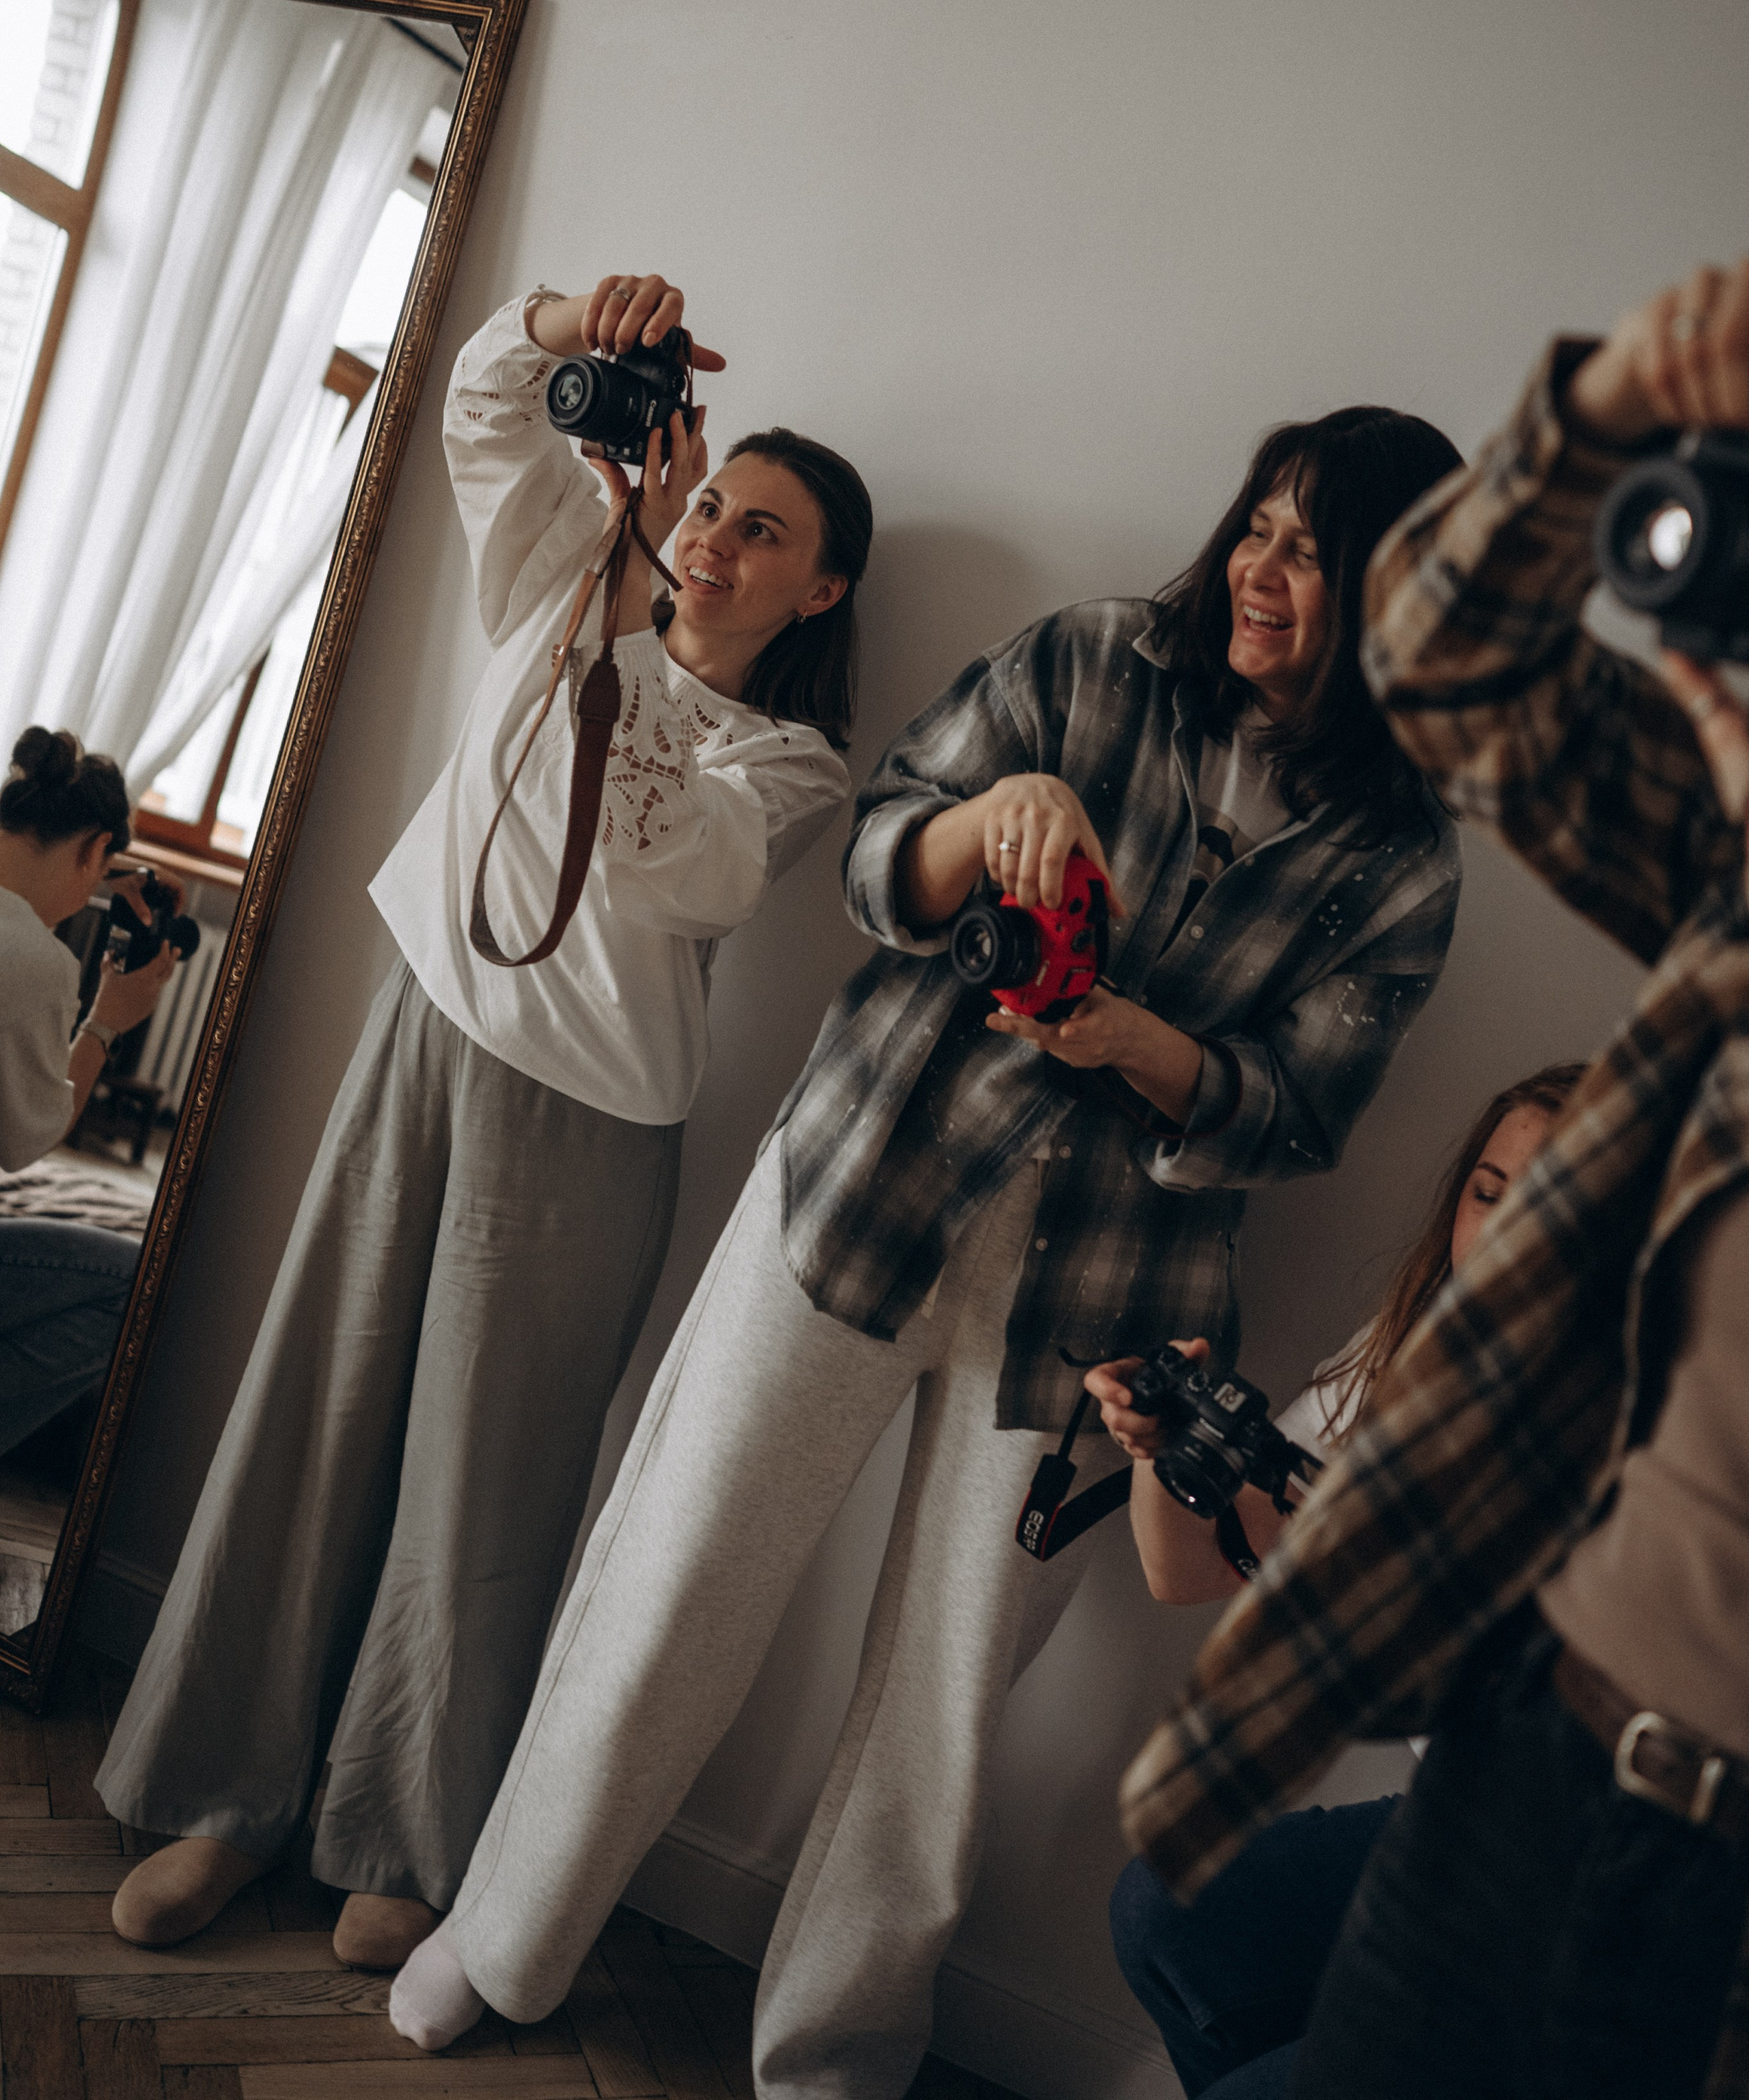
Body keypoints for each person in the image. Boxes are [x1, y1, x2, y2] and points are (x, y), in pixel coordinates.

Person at [389, 398, 1468, 2084]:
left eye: (1315, 551)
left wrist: (1137, 1045)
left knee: (941, 1716)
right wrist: (998, 812)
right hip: (861, 1186)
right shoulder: (1092, 658)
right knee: (674, 1576)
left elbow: (1303, 1113)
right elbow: (875, 856)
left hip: (1109, 1305)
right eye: (1257, 526)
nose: (1263, 569)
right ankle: (506, 1932)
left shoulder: (1402, 853)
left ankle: (830, 2057)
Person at [100, 273, 872, 1972]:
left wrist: (630, 583)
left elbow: (666, 854)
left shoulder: (791, 763)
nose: (714, 537)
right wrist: (566, 324)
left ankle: (403, 1827)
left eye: (759, 532)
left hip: (592, 1125)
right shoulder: (560, 574)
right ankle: (225, 1797)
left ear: (820, 587)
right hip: (419, 1043)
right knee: (319, 1416)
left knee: (487, 1490)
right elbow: (470, 407)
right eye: (711, 504)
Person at [1120, 256, 1749, 2100]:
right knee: (1190, 1929)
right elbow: (1441, 656)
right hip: (1524, 1750)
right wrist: (1614, 402)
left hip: (1709, 1866)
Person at [1095, 1060, 1582, 2099]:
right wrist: (1168, 1450)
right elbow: (1189, 1569)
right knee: (1171, 1918)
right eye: (1487, 1193)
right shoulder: (1406, 1357)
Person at [0, 728, 175, 1456]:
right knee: (137, 1284)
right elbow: (27, 1140)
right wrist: (106, 1022)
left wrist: (101, 869)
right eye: (100, 867)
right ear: (96, 846)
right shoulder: (33, 960)